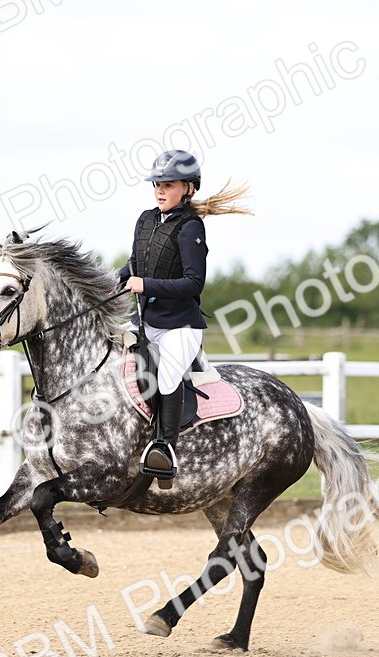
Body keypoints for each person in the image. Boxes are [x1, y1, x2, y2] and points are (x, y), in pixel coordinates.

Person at [116, 149, 250, 482]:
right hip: (144, 321)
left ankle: (165, 448)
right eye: (157, 185)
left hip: (180, 326)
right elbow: (135, 264)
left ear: (188, 188)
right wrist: (111, 282)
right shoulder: (146, 219)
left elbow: (193, 282)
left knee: (167, 377)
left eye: (169, 185)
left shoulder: (191, 227)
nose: (160, 191)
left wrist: (144, 284)